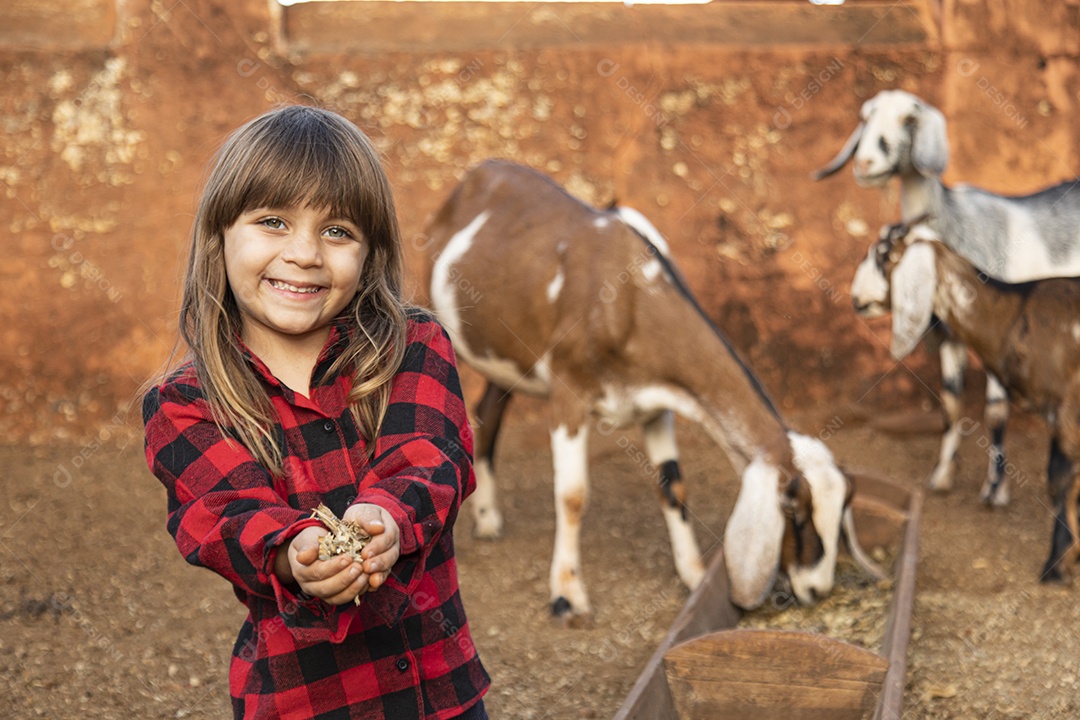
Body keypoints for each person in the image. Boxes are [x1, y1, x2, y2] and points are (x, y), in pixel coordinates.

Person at [142, 105, 490, 719]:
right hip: (303, 704)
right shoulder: (183, 405)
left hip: (443, 697)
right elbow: (226, 517)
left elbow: (430, 457)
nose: (304, 254)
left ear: (369, 252)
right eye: (273, 221)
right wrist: (295, 550)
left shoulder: (413, 346)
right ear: (220, 235)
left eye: (337, 231)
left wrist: (381, 521)